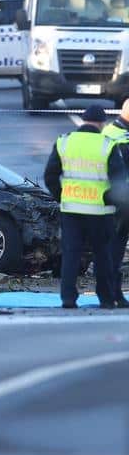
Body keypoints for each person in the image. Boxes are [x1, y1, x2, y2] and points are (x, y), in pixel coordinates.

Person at [44, 105, 128, 309]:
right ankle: (106, 299)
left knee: (71, 255)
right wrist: (109, 202)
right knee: (103, 256)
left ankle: (68, 298)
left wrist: (63, 196)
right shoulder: (106, 145)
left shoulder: (64, 141)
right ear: (101, 123)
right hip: (99, 212)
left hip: (71, 210)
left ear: (83, 120)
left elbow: (50, 176)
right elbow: (118, 182)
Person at [101, 99, 129, 308]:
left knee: (114, 247)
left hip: (113, 199)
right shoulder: (121, 138)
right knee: (116, 248)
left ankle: (113, 292)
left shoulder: (109, 131)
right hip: (121, 202)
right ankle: (113, 293)